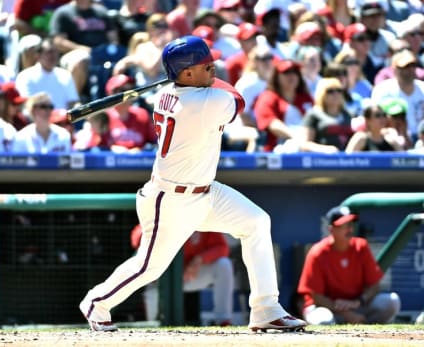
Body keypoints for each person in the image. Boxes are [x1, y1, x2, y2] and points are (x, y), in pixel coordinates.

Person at [79, 35, 307, 332]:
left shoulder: (167, 94)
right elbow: (237, 98)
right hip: (171, 200)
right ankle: (96, 302)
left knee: (256, 222)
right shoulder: (204, 102)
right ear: (186, 74)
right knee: (149, 267)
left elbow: (213, 87)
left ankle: (266, 308)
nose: (214, 68)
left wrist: (197, 75)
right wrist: (214, 81)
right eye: (205, 65)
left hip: (206, 191)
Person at [297, 205, 401, 325]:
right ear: (331, 229)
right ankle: (355, 323)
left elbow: (374, 286)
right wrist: (347, 315)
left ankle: (366, 328)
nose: (350, 229)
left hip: (356, 306)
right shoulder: (317, 252)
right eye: (344, 225)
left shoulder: (361, 246)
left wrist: (359, 301)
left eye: (351, 224)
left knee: (392, 301)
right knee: (324, 320)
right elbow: (317, 297)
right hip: (326, 307)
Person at [130, 224, 234, 326]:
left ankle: (223, 321)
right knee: (154, 317)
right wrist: (154, 230)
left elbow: (222, 247)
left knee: (224, 265)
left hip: (190, 274)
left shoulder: (203, 215)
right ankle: (153, 326)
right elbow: (136, 239)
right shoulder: (167, 213)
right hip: (162, 277)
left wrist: (200, 259)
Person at [253, 59, 314, 152]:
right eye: (286, 73)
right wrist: (296, 136)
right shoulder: (268, 97)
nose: (292, 76)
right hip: (278, 148)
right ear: (276, 76)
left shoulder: (306, 98)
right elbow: (271, 123)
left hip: (308, 143)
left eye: (295, 72)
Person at [371, 49, 424, 142]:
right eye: (405, 67)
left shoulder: (422, 88)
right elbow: (375, 119)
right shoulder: (383, 90)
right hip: (392, 138)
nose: (410, 70)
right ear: (394, 69)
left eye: (413, 66)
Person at [15, 38, 80, 111]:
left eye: (56, 52)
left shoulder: (65, 74)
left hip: (65, 120)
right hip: (38, 120)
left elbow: (73, 102)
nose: (53, 55)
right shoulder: (25, 76)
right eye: (49, 52)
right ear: (38, 55)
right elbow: (27, 105)